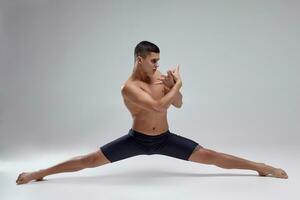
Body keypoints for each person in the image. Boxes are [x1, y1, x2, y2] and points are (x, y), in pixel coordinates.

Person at [16, 41, 288, 184]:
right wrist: (178, 84)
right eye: (154, 60)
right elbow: (158, 106)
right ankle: (38, 173)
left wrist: (174, 88)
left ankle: (261, 168)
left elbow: (176, 104)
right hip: (137, 140)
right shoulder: (129, 87)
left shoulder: (159, 79)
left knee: (212, 156)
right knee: (89, 161)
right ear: (140, 59)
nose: (158, 65)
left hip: (165, 139)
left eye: (159, 60)